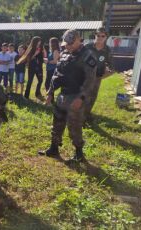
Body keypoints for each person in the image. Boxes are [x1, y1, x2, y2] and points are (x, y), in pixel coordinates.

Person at [39, 29, 97, 162]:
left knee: (74, 126)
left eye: (71, 43)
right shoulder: (65, 53)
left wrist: (81, 98)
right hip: (62, 95)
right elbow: (57, 74)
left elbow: (90, 81)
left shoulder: (87, 56)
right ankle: (53, 148)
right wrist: (50, 92)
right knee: (57, 123)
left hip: (76, 96)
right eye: (67, 43)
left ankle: (79, 154)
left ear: (78, 40)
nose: (68, 46)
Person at [84, 27, 114, 124]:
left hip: (97, 77)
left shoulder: (107, 50)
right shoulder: (87, 47)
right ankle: (80, 114)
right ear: (95, 35)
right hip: (84, 76)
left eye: (102, 36)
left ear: (106, 37)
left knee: (93, 96)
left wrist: (107, 72)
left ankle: (86, 114)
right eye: (98, 35)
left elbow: (110, 64)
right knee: (83, 95)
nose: (100, 37)